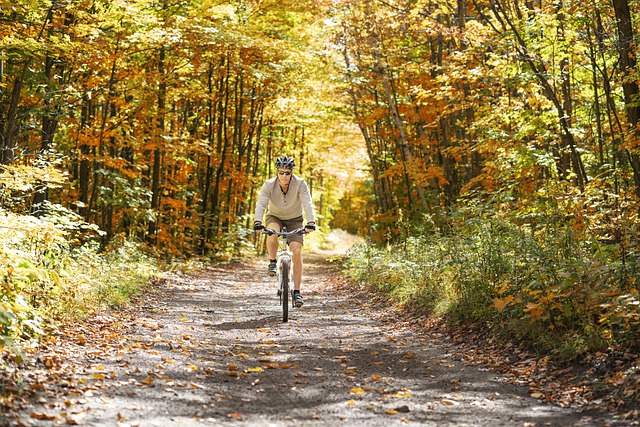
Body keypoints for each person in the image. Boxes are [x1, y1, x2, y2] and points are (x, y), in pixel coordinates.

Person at [253, 156, 316, 307]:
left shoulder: (300, 184)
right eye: (281, 172)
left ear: (291, 173)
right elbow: (261, 203)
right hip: (275, 217)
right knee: (272, 232)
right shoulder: (268, 185)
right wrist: (257, 221)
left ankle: (297, 292)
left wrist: (311, 222)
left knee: (296, 250)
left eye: (287, 173)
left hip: (295, 219)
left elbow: (307, 202)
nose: (284, 176)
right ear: (277, 172)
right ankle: (273, 261)